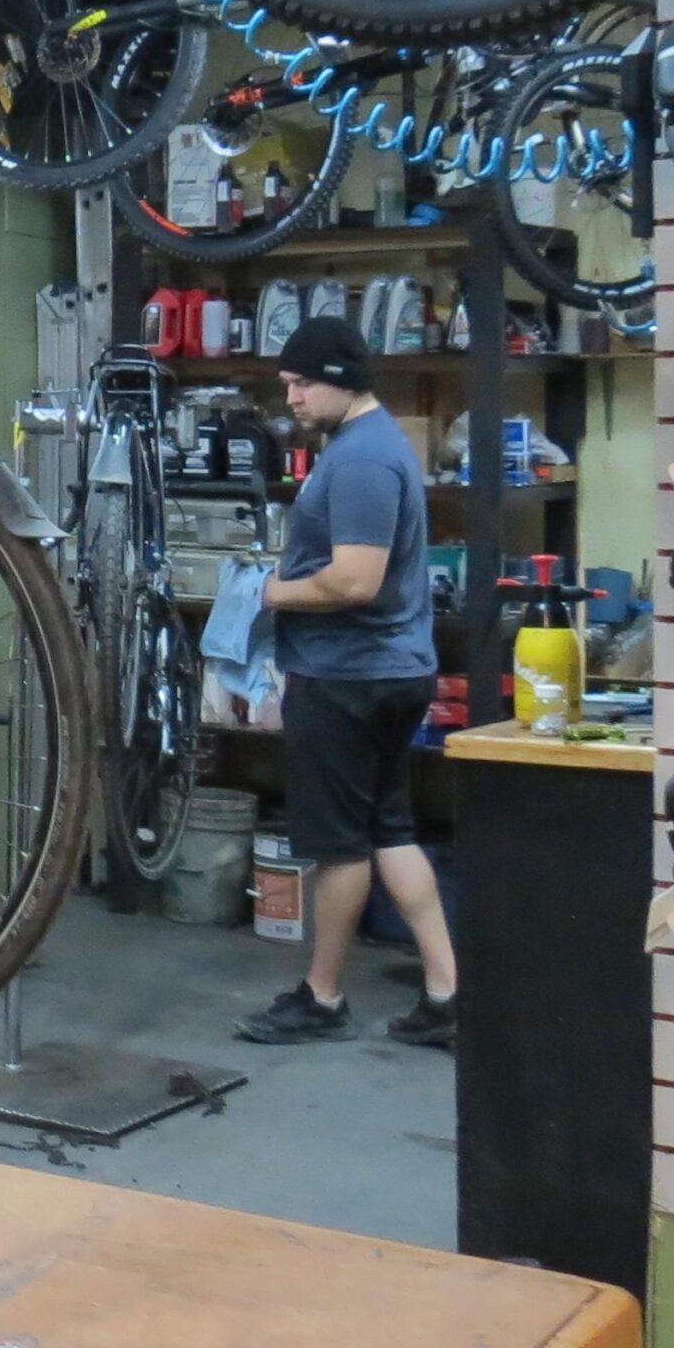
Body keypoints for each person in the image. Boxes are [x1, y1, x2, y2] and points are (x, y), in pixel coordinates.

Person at [235, 315, 458, 1050]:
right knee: (390, 830)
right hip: (391, 671)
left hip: (347, 678)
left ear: (341, 380)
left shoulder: (362, 460)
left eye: (302, 383)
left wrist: (270, 593)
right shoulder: (374, 445)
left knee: (341, 847)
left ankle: (323, 996)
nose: (291, 397)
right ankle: (447, 989)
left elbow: (354, 581)